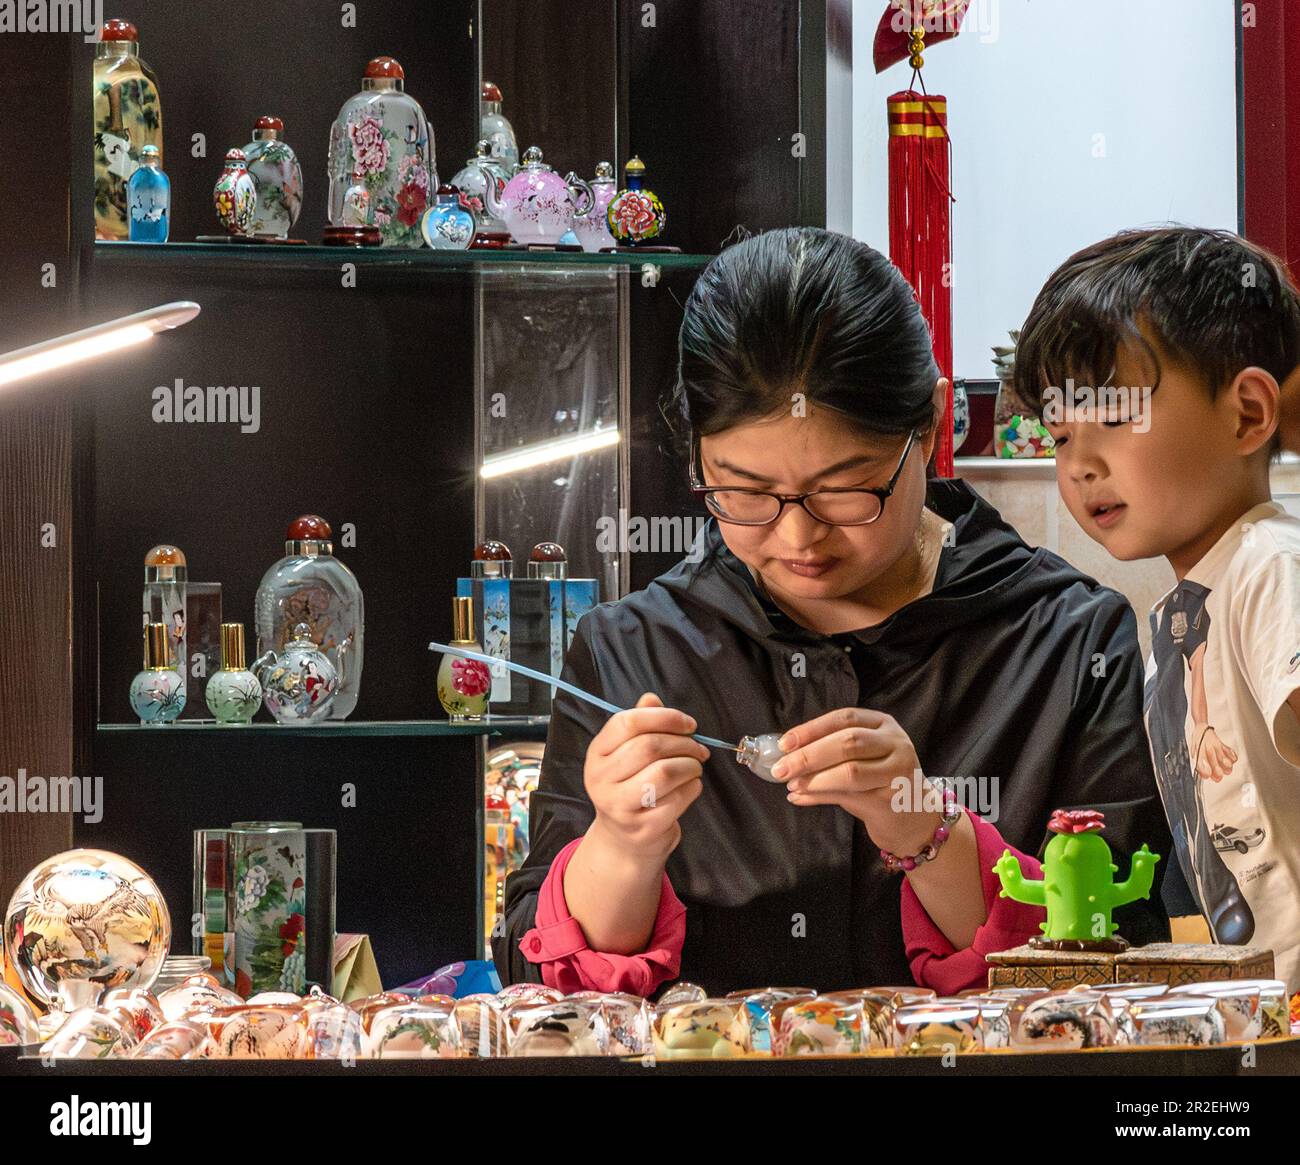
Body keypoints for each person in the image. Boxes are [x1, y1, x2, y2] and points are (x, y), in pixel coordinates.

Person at [493, 227, 1171, 998]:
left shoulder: (1070, 641)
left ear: (932, 427)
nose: (797, 535)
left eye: (845, 489)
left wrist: (929, 830)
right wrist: (620, 847)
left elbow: (1121, 969)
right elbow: (535, 979)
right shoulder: (631, 649)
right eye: (744, 492)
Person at [1014, 225, 1300, 991]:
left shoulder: (1271, 568)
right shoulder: (1178, 613)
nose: (1079, 464)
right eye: (1061, 432)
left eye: (1111, 416)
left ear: (1246, 414)